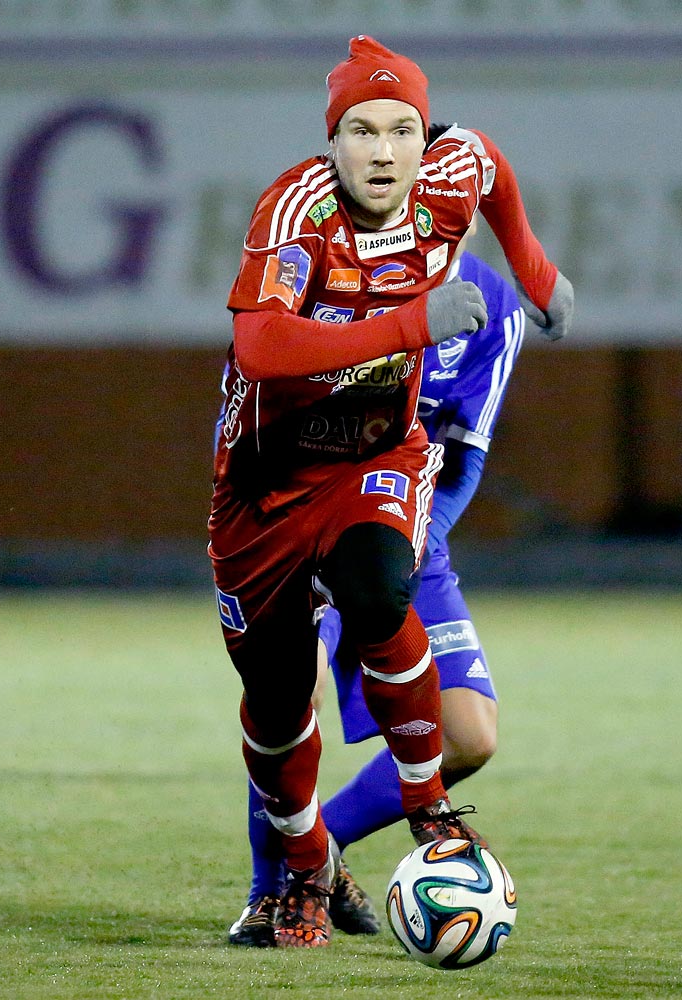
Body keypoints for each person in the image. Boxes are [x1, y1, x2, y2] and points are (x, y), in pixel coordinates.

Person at [210, 35, 573, 948]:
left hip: (382, 463)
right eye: (361, 131)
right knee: (278, 697)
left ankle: (428, 808)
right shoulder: (295, 211)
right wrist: (407, 323)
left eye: (401, 130)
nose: (382, 150)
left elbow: (489, 170)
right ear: (332, 142)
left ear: (425, 139)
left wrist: (533, 271)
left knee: (379, 588)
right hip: (267, 480)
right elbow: (260, 348)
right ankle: (298, 875)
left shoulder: (457, 190)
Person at [229, 244, 535, 946]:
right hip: (302, 517)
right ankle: (267, 894)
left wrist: (409, 543)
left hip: (405, 531)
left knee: (468, 735)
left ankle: (317, 850)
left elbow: (465, 456)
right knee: (286, 692)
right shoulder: (327, 267)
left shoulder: (496, 311)